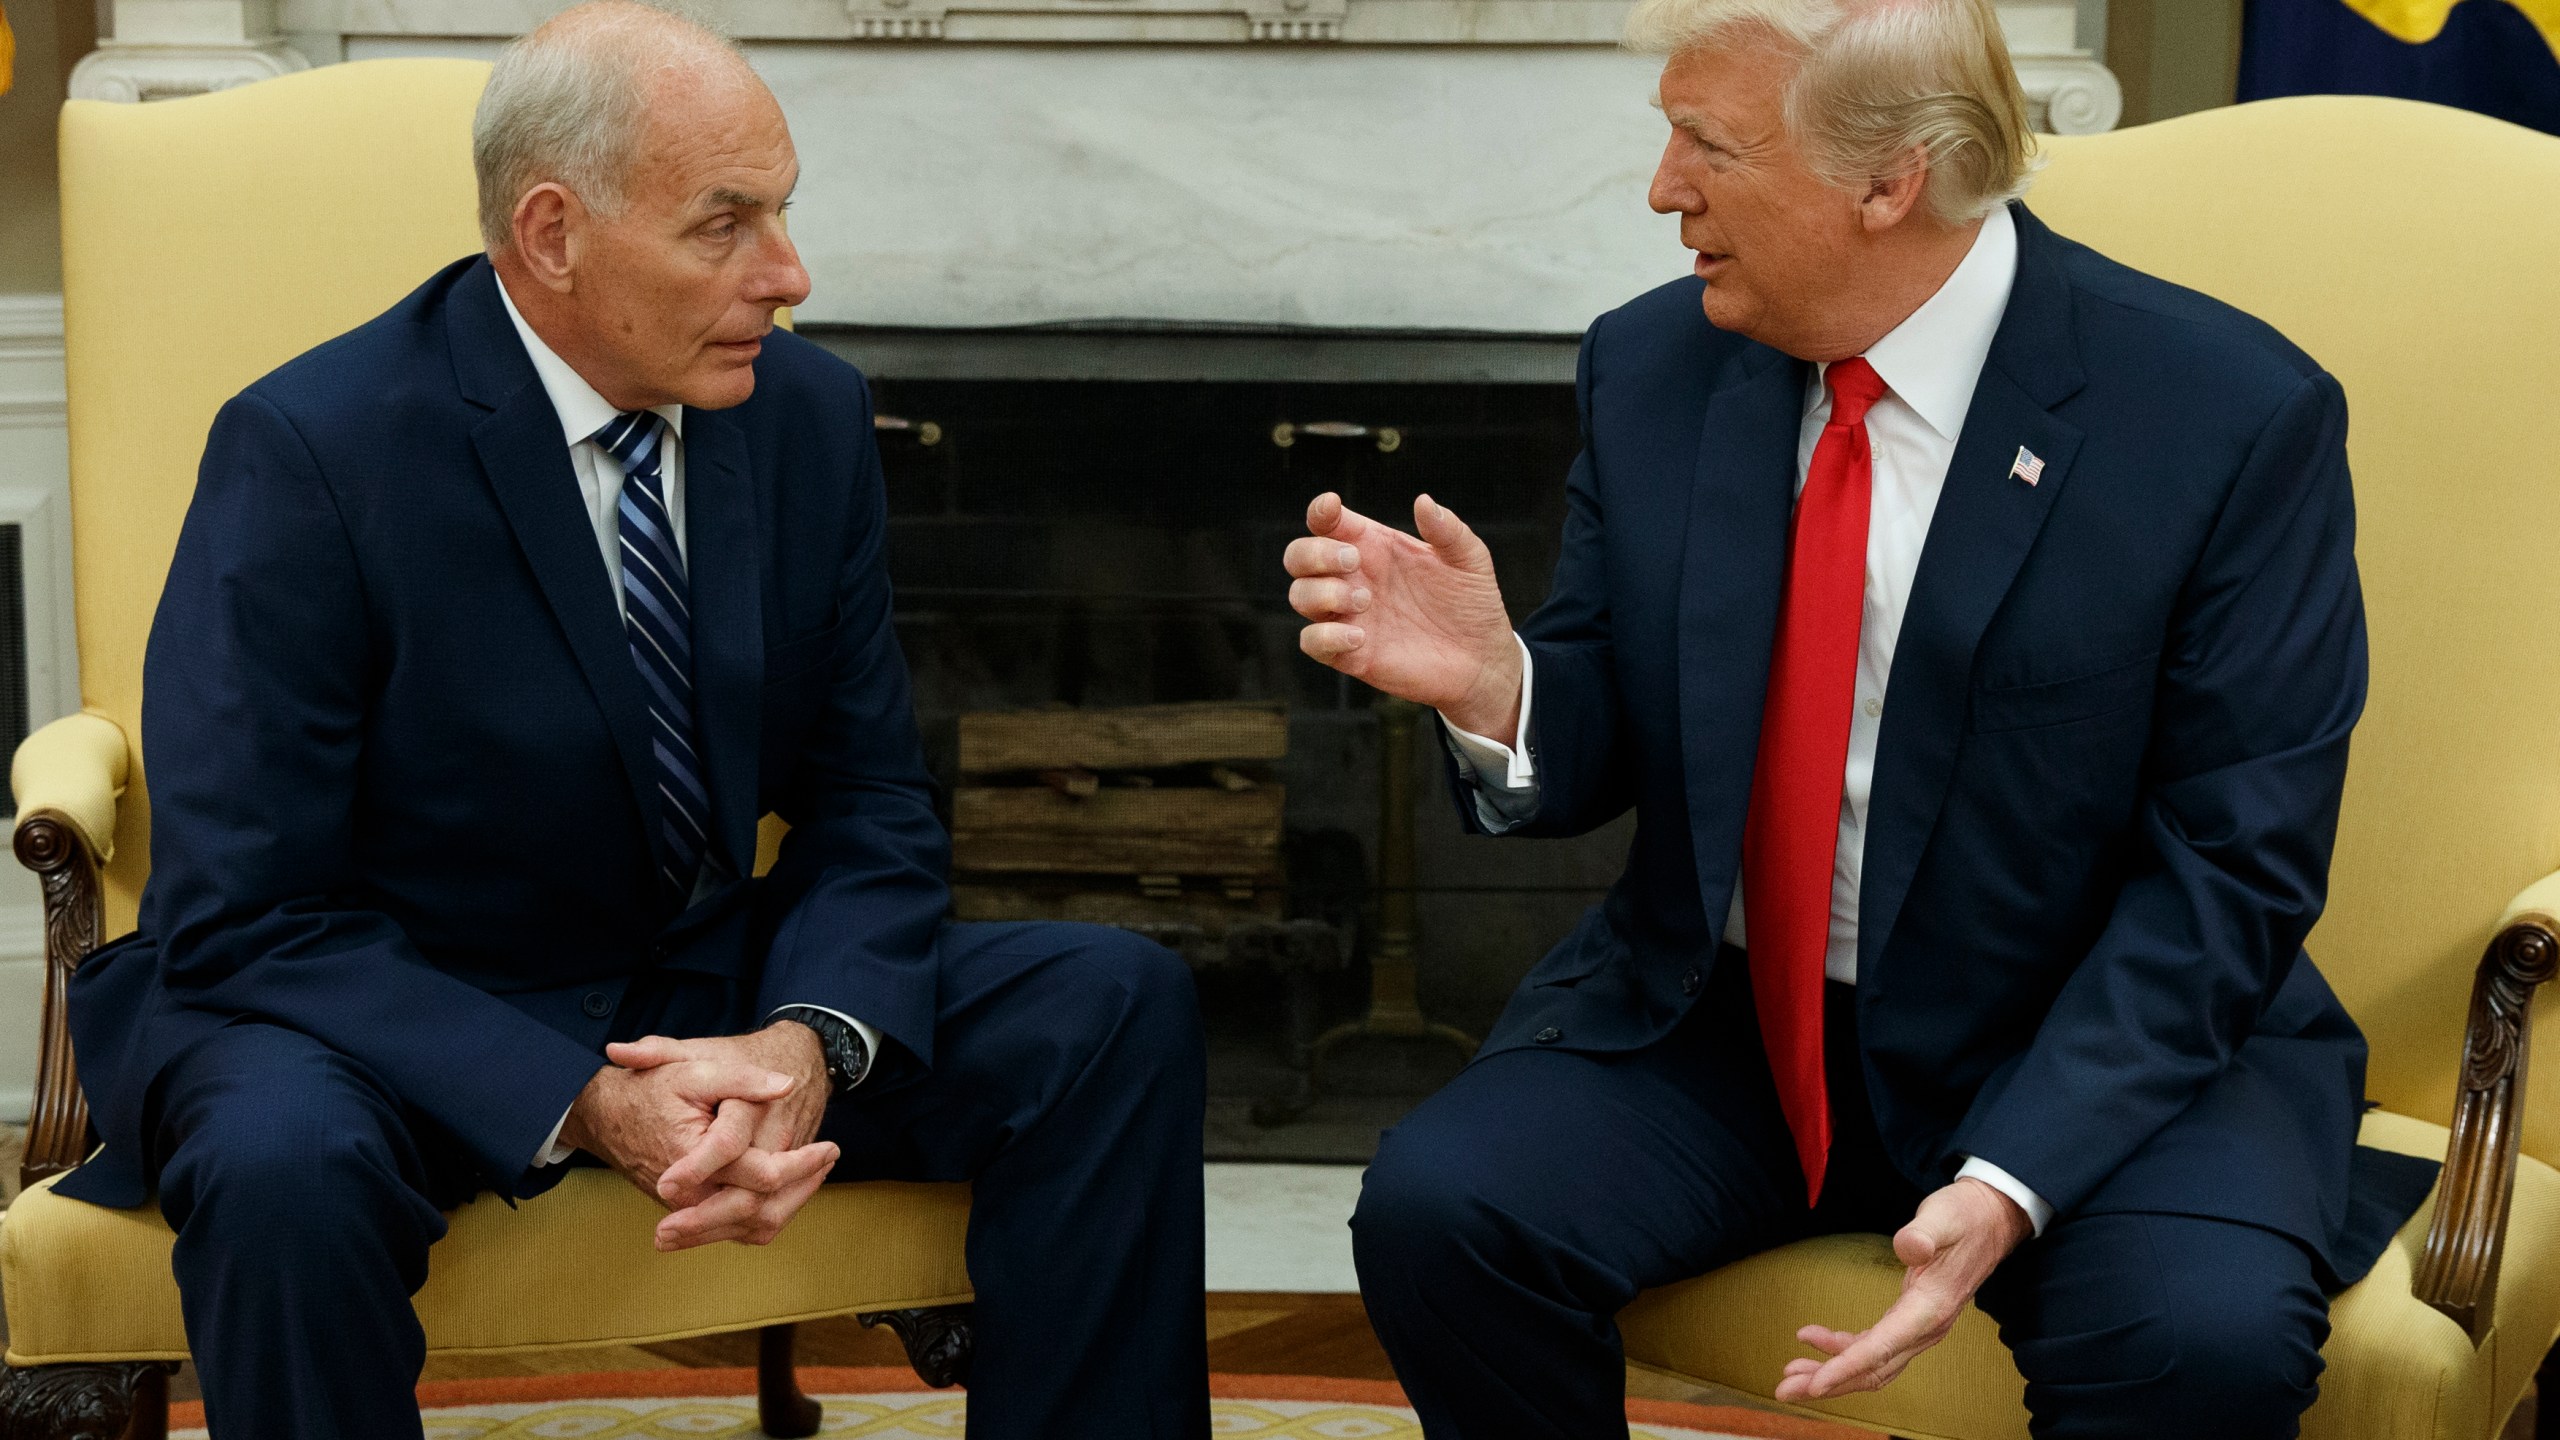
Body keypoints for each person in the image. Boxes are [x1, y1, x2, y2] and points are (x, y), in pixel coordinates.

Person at [1286, 1, 2438, 1434]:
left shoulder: (2223, 416)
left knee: (2195, 1342)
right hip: (1741, 1027)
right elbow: (1609, 728)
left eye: (1707, 145)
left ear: (1890, 180)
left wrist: (2013, 1179)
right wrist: (1497, 684)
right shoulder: (1653, 368)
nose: (1661, 189)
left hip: (2100, 1035)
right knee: (1443, 1215)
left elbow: (2233, 867)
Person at [57, 7, 1211, 1437]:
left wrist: (805, 1043)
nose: (787, 276)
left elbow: (870, 802)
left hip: (684, 982)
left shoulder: (803, 419)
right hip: (378, 999)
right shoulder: (313, 450)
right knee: (284, 1160)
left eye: (782, 213)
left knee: (1109, 1006)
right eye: (725, 226)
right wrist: (581, 1099)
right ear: (552, 235)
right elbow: (247, 911)